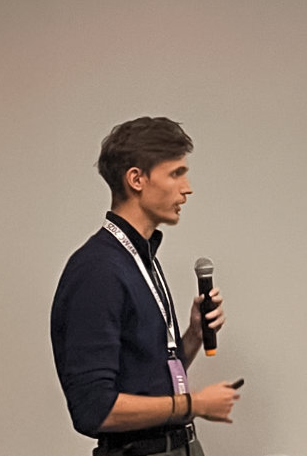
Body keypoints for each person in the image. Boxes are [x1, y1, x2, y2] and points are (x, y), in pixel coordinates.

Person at [51, 117, 240, 455]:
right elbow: (95, 408)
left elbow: (149, 379)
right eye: (175, 174)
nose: (188, 188)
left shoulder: (142, 260)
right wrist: (193, 404)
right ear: (136, 179)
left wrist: (195, 334)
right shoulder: (97, 271)